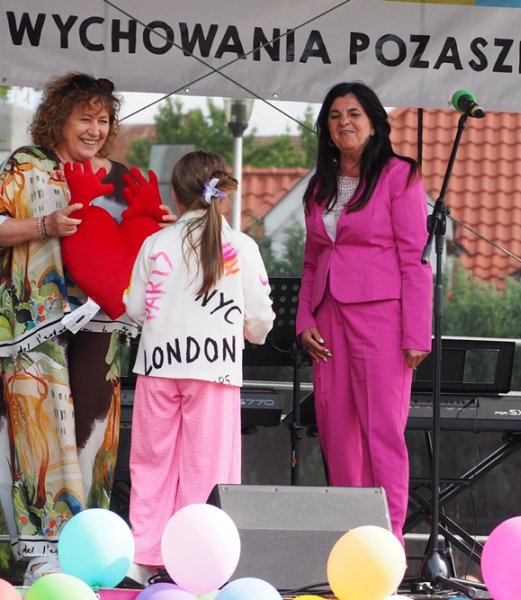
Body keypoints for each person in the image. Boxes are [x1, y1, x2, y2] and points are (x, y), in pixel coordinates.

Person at [0, 72, 173, 583]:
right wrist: (44, 226)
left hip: (103, 323)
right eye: (85, 118)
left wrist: (156, 231)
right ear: (59, 118)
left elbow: (133, 249)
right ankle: (42, 558)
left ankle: (88, 552)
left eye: (103, 120)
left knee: (94, 439)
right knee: (41, 437)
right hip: (35, 324)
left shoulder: (120, 176)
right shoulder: (26, 165)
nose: (95, 129)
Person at [123, 150, 274, 585]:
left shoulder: (156, 243)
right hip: (215, 370)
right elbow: (260, 319)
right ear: (222, 194)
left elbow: (134, 307)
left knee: (151, 463)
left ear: (175, 193)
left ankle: (143, 558)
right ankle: (194, 562)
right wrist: (249, 332)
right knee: (206, 468)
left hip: (158, 366)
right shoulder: (241, 247)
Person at [296, 81, 433, 541]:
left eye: (354, 113)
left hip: (383, 321)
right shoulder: (320, 184)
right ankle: (349, 539)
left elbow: (415, 258)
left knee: (382, 434)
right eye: (335, 116)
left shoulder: (399, 175)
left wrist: (417, 333)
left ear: (374, 123)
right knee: (337, 435)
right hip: (328, 320)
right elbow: (312, 260)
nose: (344, 122)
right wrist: (304, 320)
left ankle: (387, 542)